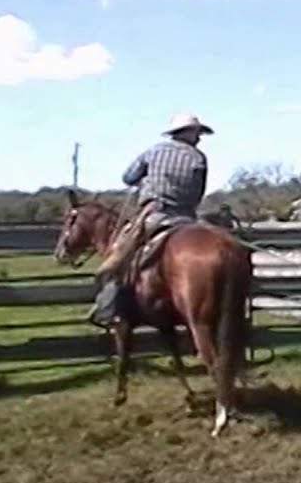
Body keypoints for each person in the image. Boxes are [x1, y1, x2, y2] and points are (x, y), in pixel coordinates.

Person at [87, 113, 214, 328]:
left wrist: (146, 178)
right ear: (187, 133)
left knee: (119, 257)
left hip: (155, 215)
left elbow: (128, 177)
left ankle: (108, 308)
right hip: (187, 217)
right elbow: (199, 191)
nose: (199, 138)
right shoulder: (199, 158)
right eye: (197, 133)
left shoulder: (154, 151)